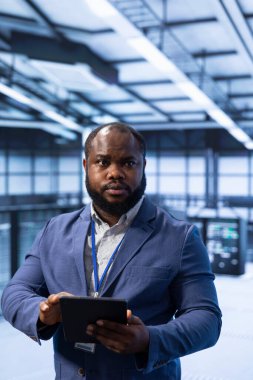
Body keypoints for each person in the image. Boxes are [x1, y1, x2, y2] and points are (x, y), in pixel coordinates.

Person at [1, 122, 222, 380]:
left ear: (143, 167)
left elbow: (206, 318)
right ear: (86, 166)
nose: (115, 173)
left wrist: (150, 339)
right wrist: (41, 312)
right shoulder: (54, 230)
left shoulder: (180, 237)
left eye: (128, 163)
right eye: (103, 162)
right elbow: (14, 293)